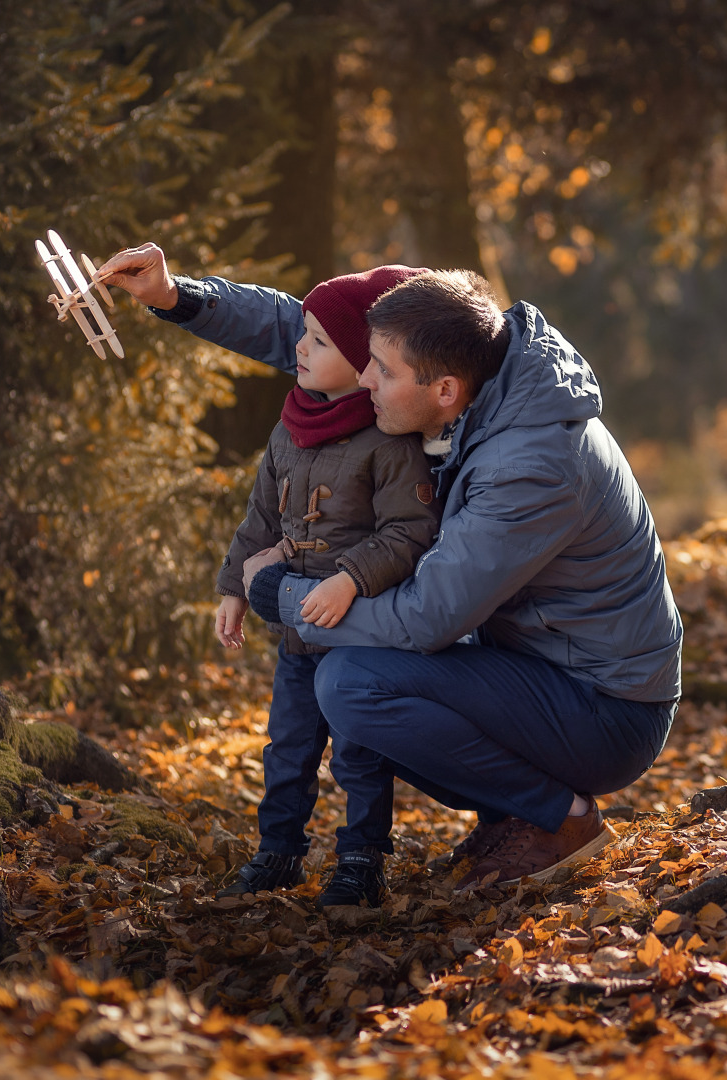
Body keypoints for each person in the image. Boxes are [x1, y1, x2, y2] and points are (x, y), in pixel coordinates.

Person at [97, 243, 682, 890]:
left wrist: (281, 596)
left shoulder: (529, 465)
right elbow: (312, 332)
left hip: (603, 708)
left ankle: (560, 818)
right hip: (535, 667)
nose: (364, 378)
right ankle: (512, 813)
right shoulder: (460, 350)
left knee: (353, 685)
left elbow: (427, 618)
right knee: (355, 677)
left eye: (380, 370)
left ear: (443, 390)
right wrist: (174, 294)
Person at [211, 265, 438, 907]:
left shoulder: (387, 441)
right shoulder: (290, 427)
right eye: (301, 336)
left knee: (359, 754)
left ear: (362, 359)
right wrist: (234, 587)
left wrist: (350, 578)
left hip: (358, 631)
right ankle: (277, 851)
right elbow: (261, 516)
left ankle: (362, 858)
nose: (300, 351)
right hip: (294, 635)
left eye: (317, 342)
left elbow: (409, 529)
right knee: (288, 746)